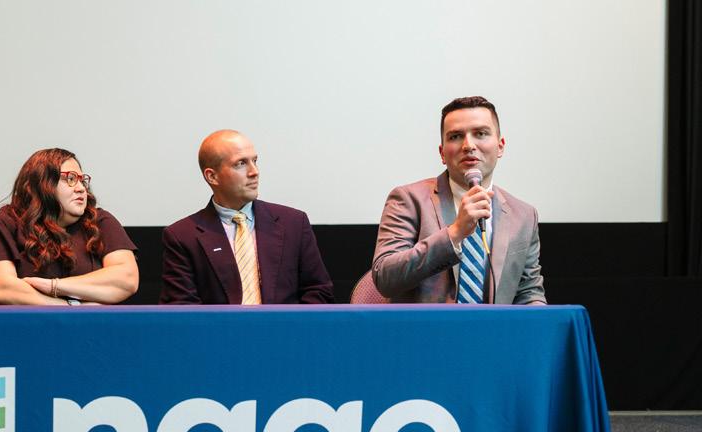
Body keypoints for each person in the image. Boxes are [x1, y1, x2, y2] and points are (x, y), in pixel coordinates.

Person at [372, 96, 545, 304]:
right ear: (442, 153)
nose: (468, 145)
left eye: (480, 133)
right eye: (455, 136)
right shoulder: (408, 200)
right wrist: (455, 233)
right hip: (426, 325)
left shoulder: (524, 215)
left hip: (493, 326)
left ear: (500, 146)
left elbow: (529, 293)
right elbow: (385, 278)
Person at [159, 130, 333, 304]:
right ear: (212, 176)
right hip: (220, 323)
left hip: (285, 323)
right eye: (241, 163)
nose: (254, 172)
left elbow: (318, 291)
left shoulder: (293, 223)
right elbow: (181, 307)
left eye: (255, 161)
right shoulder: (182, 236)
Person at [0, 148, 138, 305]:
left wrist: (53, 286)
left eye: (82, 180)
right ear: (41, 184)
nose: (81, 188)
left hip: (90, 331)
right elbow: (0, 290)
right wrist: (72, 307)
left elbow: (126, 279)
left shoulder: (100, 221)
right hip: (21, 330)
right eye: (70, 179)